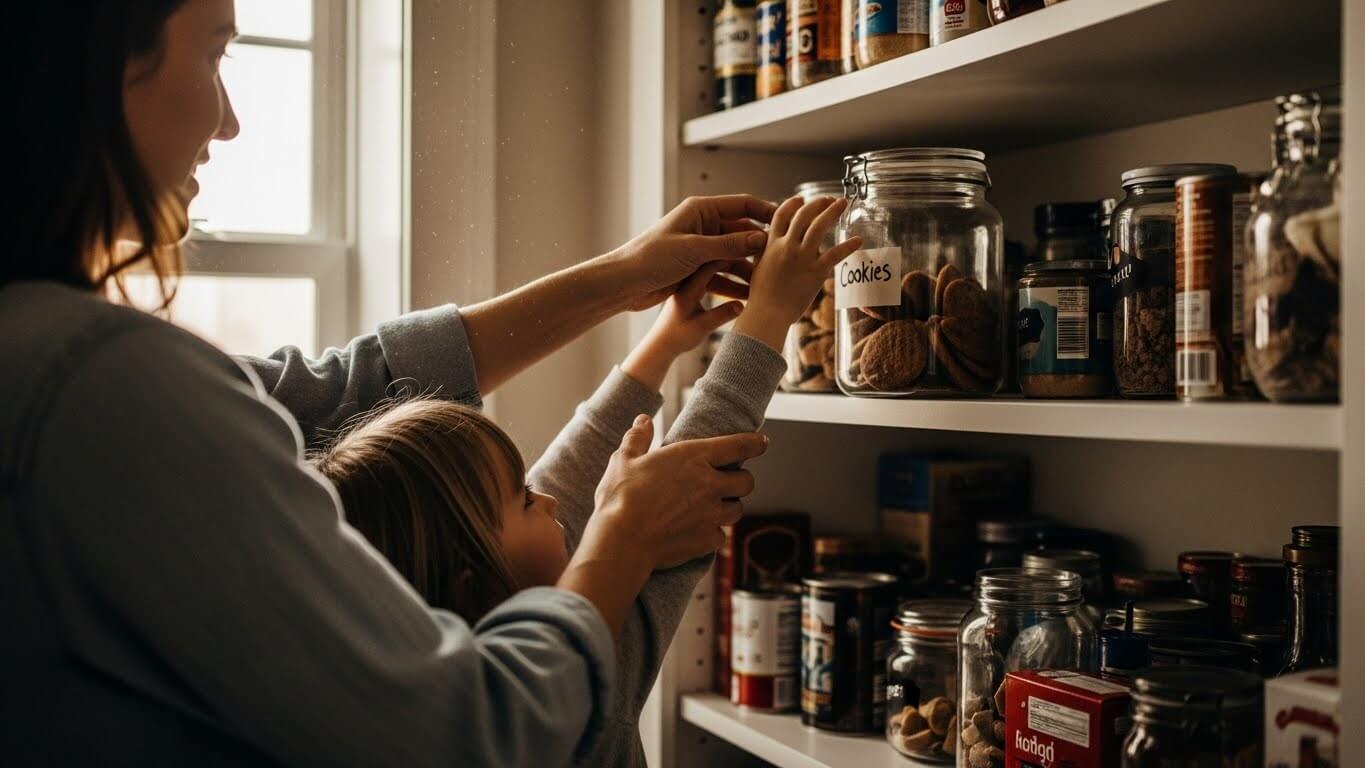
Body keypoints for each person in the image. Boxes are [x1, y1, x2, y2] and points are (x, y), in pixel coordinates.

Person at [0, 1, 786, 765]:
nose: (228, 120)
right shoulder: (94, 380)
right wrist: (625, 537)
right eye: (213, 52)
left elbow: (344, 393)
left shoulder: (45, 350)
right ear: (97, 66)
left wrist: (626, 284)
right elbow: (469, 735)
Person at [313, 194, 859, 766]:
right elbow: (690, 473)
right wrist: (769, 315)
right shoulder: (580, 682)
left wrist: (664, 341)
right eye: (524, 501)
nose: (547, 496)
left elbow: (570, 475)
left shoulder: (450, 650)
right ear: (477, 586)